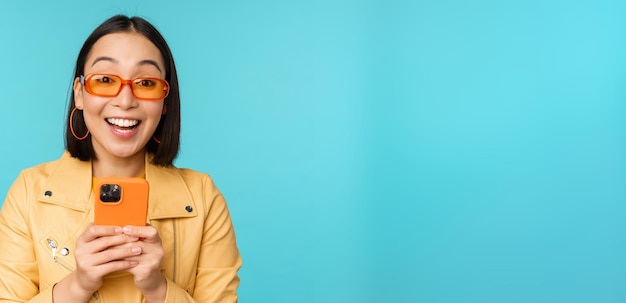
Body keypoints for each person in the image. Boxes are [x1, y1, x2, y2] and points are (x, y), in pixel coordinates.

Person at [0, 15, 242, 302]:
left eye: (146, 82)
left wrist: (157, 288)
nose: (125, 100)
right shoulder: (30, 193)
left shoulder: (203, 197)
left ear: (165, 101)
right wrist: (78, 286)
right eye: (104, 80)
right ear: (80, 94)